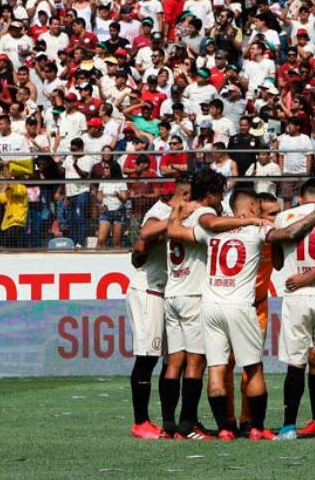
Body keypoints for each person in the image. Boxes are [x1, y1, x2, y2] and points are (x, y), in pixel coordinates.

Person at [163, 170, 264, 440]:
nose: (221, 200)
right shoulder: (203, 214)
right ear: (210, 194)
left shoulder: (180, 212)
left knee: (175, 362)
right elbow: (209, 221)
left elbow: (169, 231)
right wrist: (250, 219)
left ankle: (168, 425)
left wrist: (175, 211)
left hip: (173, 291)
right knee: (197, 364)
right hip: (195, 294)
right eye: (220, 193)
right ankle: (188, 425)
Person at [268, 179, 315, 441]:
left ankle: (288, 426)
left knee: (296, 362)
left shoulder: (283, 217)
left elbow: (277, 264)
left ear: (299, 197)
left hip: (296, 293)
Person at [126, 174, 190, 439]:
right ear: (185, 195)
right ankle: (140, 421)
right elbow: (144, 236)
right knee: (147, 357)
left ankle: (168, 422)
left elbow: (139, 252)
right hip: (149, 291)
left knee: (170, 360)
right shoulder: (161, 211)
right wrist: (176, 219)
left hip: (167, 293)